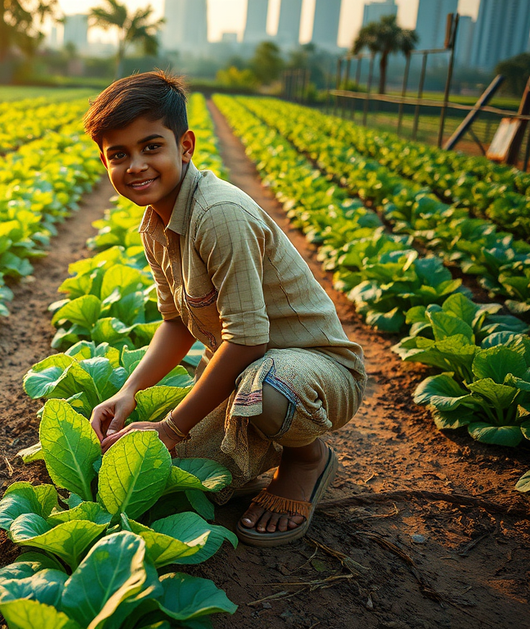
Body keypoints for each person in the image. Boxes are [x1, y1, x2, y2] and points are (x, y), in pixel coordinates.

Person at [82, 71, 366, 547]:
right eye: (119, 154)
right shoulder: (154, 224)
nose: (136, 165)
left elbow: (249, 340)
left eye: (151, 147)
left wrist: (171, 427)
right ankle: (264, 439)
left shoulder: (218, 214)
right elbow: (176, 323)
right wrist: (131, 391)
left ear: (185, 145)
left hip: (313, 373)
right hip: (244, 374)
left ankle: (306, 458)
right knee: (185, 480)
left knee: (263, 391)